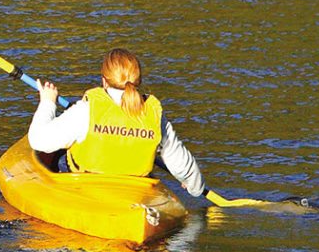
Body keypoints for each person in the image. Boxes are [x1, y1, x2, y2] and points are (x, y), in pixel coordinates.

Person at [29, 48, 205, 196]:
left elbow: (38, 140)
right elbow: (182, 163)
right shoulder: (154, 115)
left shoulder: (85, 110)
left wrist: (48, 101)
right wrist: (195, 187)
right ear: (138, 81)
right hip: (134, 190)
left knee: (60, 153)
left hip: (86, 185)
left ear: (104, 81)